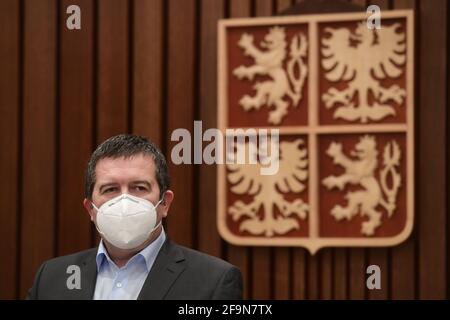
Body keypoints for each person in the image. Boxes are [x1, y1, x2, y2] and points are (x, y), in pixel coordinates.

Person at [27, 134, 242, 300]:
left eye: (139, 187)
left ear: (165, 203)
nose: (124, 201)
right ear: (90, 209)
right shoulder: (51, 278)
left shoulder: (213, 281)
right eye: (110, 189)